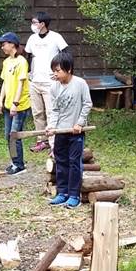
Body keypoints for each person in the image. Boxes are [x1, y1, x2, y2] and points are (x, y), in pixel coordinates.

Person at [45, 51, 92, 210]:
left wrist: (79, 123)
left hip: (75, 133)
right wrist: (52, 126)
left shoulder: (80, 84)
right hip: (60, 132)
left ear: (69, 69)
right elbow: (55, 110)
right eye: (54, 70)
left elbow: (87, 104)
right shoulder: (54, 88)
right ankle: (62, 192)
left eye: (58, 70)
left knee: (74, 163)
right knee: (61, 162)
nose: (55, 74)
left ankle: (74, 195)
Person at [25, 11, 68, 153]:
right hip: (35, 81)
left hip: (50, 82)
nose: (32, 25)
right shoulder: (32, 38)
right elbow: (28, 55)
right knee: (37, 113)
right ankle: (41, 141)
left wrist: (61, 73)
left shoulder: (56, 37)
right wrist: (28, 72)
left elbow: (67, 53)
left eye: (34, 22)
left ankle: (54, 143)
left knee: (51, 113)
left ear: (42, 24)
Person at [0, 32, 31, 175]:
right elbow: (5, 82)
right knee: (7, 135)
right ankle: (14, 161)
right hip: (8, 105)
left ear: (12, 44)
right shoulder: (6, 62)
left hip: (20, 105)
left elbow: (21, 84)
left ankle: (19, 165)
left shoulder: (22, 61)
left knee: (14, 135)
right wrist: (0, 100)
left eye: (3, 44)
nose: (2, 47)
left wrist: (16, 103)